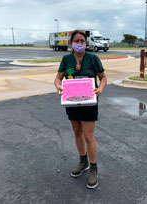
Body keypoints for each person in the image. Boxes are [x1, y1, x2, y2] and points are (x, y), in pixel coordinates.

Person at [54, 30, 107, 189]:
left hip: (89, 102)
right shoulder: (66, 59)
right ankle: (82, 161)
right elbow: (58, 78)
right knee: (77, 132)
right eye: (76, 40)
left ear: (86, 43)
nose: (79, 43)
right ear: (71, 43)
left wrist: (101, 89)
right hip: (72, 102)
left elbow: (103, 77)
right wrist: (58, 86)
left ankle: (93, 168)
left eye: (82, 41)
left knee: (88, 136)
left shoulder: (93, 58)